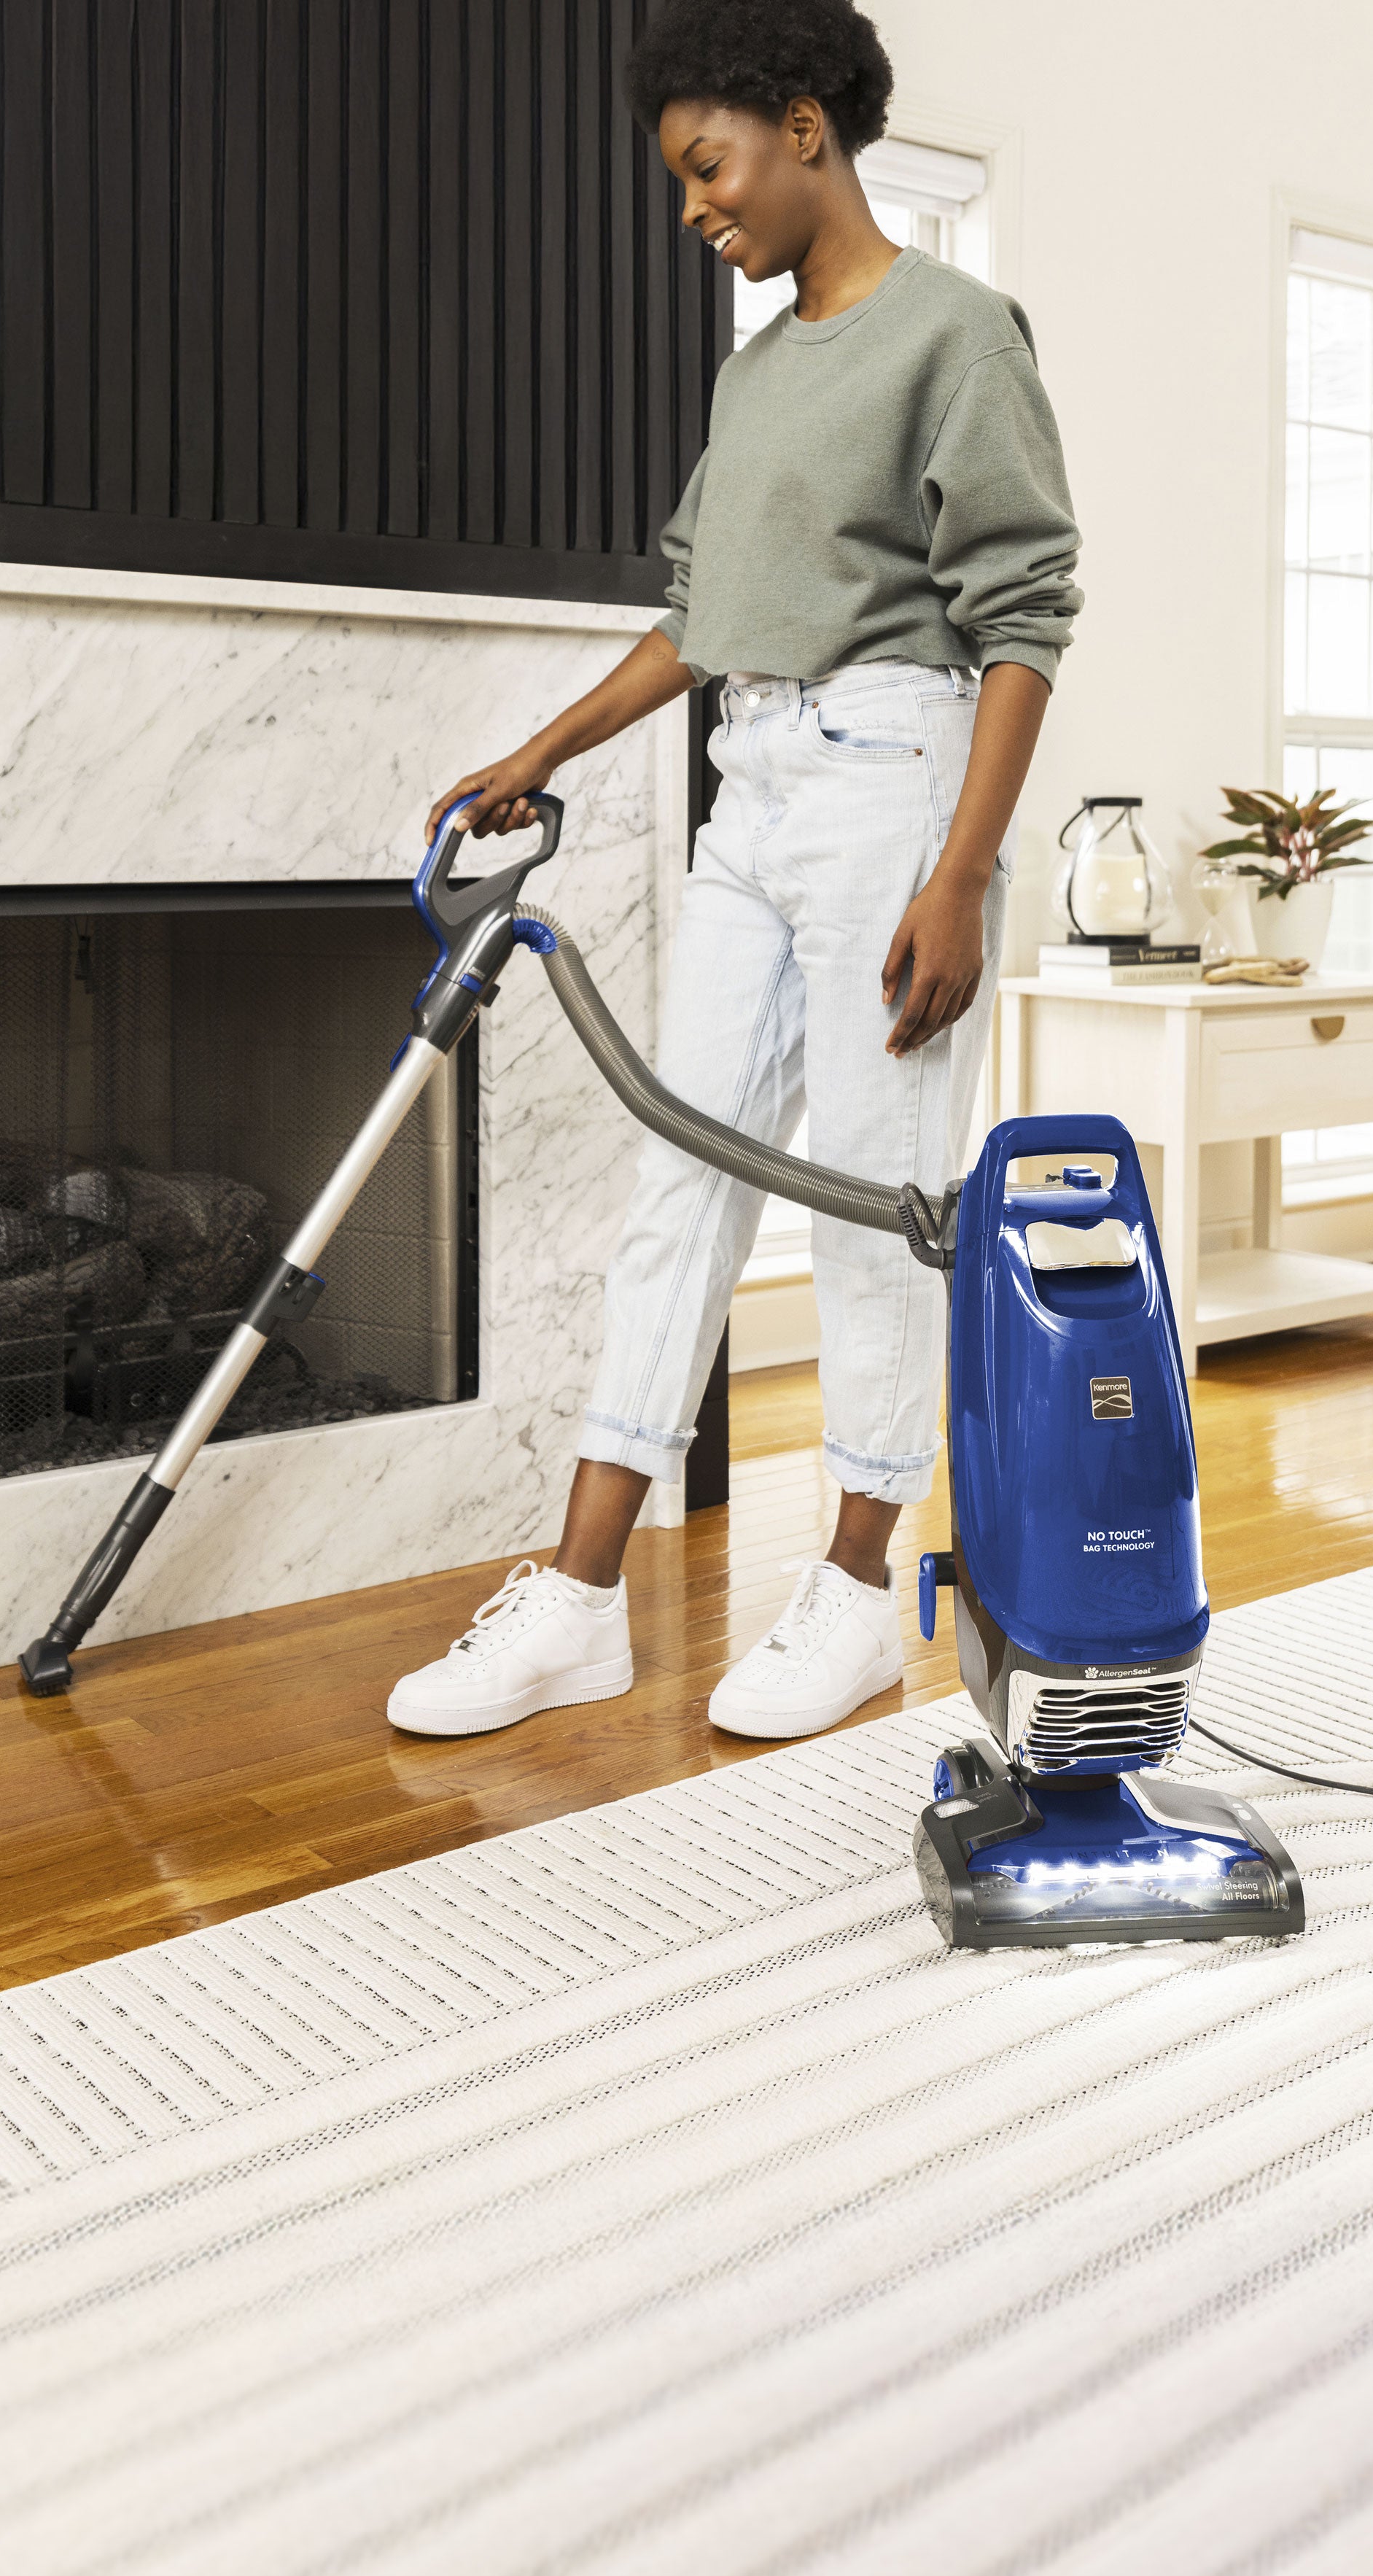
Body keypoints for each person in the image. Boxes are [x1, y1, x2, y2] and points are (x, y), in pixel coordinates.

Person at [388, 0, 1079, 1743]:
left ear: (802, 127)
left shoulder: (958, 334)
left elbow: (1020, 622)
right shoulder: (758, 367)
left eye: (707, 167)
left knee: (870, 1195)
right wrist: (540, 748)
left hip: (891, 782)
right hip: (751, 788)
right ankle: (577, 1602)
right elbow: (702, 616)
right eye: (681, 180)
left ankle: (854, 1594)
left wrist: (959, 875)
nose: (696, 206)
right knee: (677, 1180)